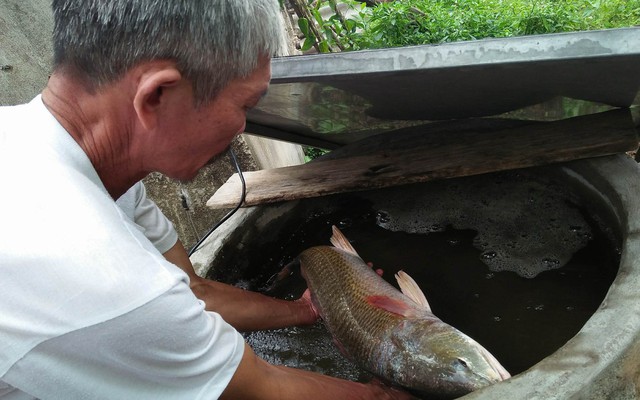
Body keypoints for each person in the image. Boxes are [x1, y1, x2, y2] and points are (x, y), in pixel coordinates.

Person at [0, 0, 414, 398]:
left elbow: (196, 292)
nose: (242, 127)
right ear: (158, 95)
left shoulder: (48, 152)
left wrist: (307, 310)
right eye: (245, 104)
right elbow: (259, 387)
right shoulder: (104, 278)